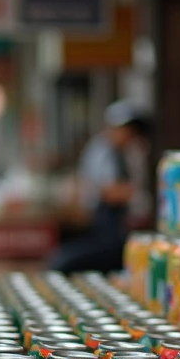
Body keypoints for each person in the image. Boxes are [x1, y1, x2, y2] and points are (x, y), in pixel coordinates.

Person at [49, 100, 152, 274]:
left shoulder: (129, 152)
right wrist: (136, 195)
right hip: (102, 219)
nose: (131, 135)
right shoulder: (103, 151)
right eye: (128, 130)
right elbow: (108, 191)